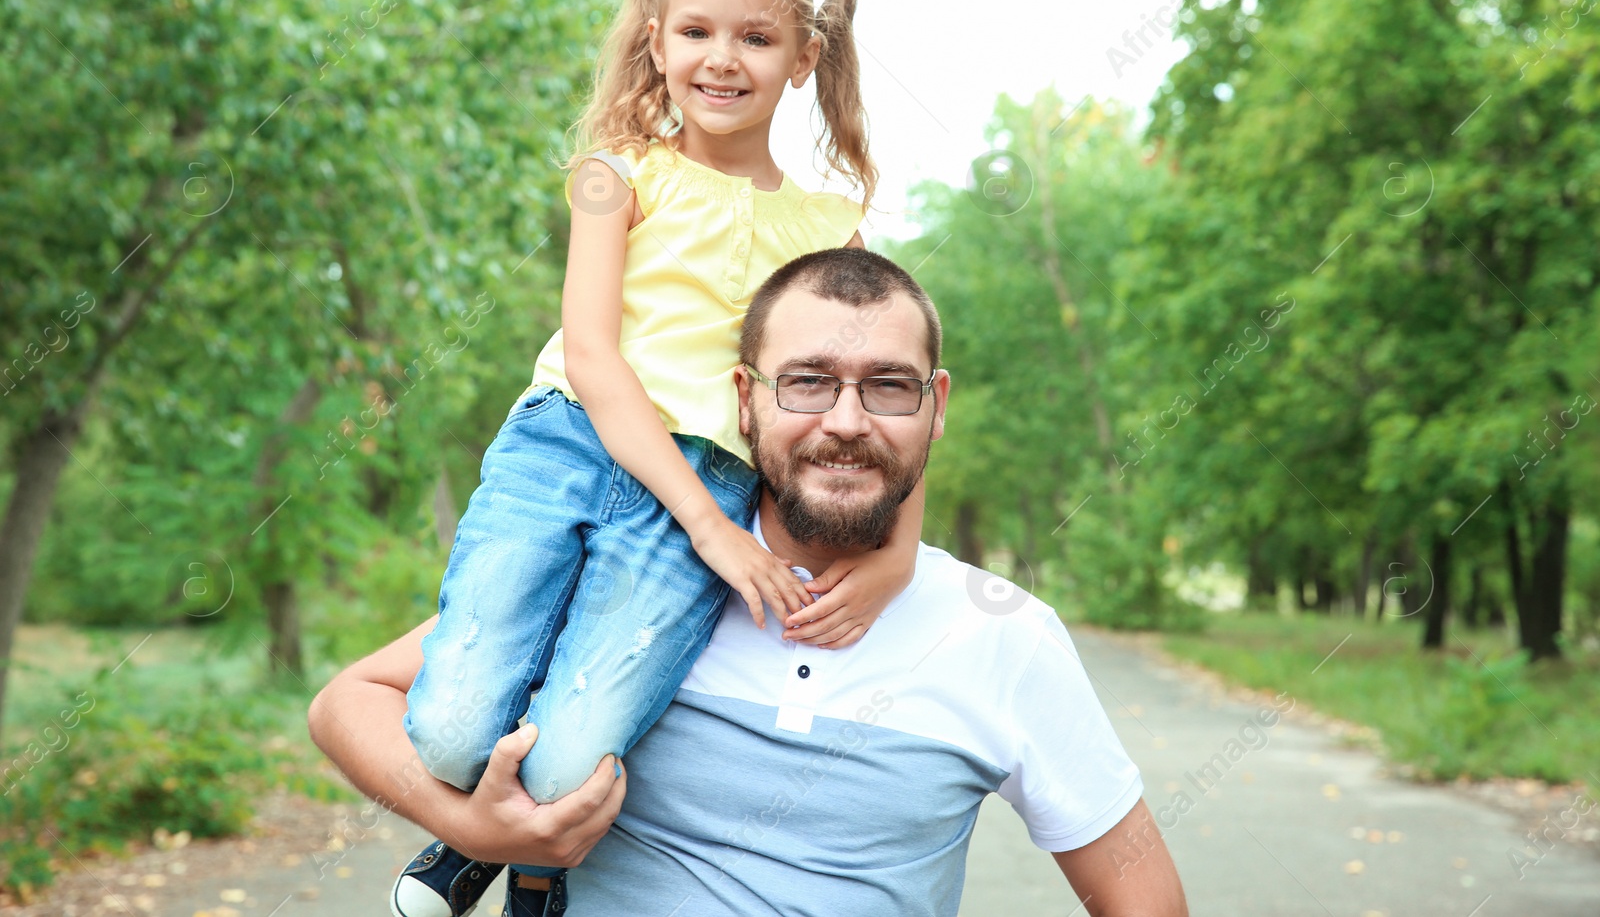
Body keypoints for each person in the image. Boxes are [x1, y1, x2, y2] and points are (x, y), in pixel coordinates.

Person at [310, 248, 1189, 917]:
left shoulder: (1004, 634)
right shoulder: (642, 582)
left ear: (937, 405)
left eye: (888, 387)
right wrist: (471, 830)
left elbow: (1145, 898)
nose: (845, 422)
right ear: (744, 397)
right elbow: (348, 699)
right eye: (807, 382)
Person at [389, 0, 919, 917]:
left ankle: (539, 866)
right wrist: (711, 530)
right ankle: (470, 833)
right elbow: (593, 355)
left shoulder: (828, 226)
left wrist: (892, 555)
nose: (722, 58)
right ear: (657, 40)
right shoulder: (616, 172)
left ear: (803, 58)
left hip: (714, 474)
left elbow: (891, 381)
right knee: (452, 727)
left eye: (756, 39)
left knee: (572, 762)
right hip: (568, 442)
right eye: (696, 32)